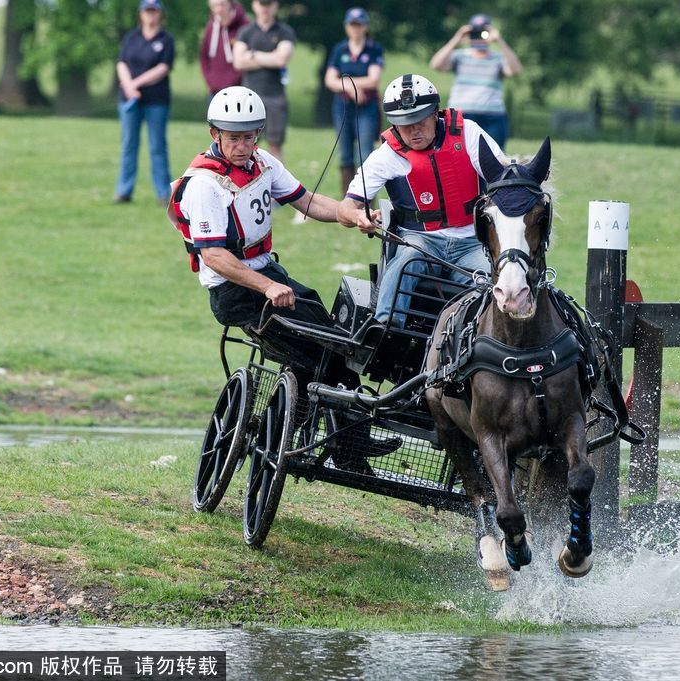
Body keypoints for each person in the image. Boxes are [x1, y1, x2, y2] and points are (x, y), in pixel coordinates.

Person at [167, 86, 399, 466]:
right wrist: (268, 286)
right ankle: (344, 446)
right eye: (234, 138)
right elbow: (214, 256)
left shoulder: (263, 163)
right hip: (235, 291)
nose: (243, 146)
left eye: (249, 136)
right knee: (325, 352)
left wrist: (351, 214)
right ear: (215, 134)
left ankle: (318, 436)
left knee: (333, 334)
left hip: (268, 273)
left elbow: (306, 201)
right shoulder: (205, 185)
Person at [336, 74, 506, 328]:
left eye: (419, 121)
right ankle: (384, 328)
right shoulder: (386, 156)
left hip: (472, 242)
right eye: (404, 124)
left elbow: (503, 175)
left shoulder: (468, 133)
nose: (413, 130)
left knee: (497, 278)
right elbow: (344, 209)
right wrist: (359, 216)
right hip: (420, 241)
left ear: (435, 113)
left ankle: (482, 339)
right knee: (407, 262)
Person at [429, 13, 522, 150]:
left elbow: (515, 70)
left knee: (495, 155)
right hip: (461, 115)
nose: (479, 36)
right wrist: (457, 38)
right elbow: (436, 64)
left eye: (483, 32)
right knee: (458, 154)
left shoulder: (498, 58)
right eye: (475, 33)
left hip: (492, 116)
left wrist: (500, 41)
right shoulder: (459, 56)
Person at [115, 0, 175, 205]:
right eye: (147, 11)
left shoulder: (166, 39)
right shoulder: (131, 38)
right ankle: (124, 191)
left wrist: (136, 83)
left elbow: (163, 68)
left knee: (157, 146)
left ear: (160, 14)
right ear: (141, 14)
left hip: (156, 100)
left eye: (153, 11)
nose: (150, 15)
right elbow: (122, 63)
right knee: (128, 144)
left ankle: (163, 193)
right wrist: (128, 86)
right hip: (130, 99)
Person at [323, 7, 384, 197]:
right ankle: (348, 199)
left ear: (365, 26)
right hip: (343, 107)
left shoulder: (373, 49)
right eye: (352, 25)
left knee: (366, 154)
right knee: (345, 155)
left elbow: (373, 79)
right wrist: (350, 87)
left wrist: (346, 83)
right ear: (346, 26)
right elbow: (329, 80)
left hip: (366, 107)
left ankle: (367, 199)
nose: (355, 29)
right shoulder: (339, 49)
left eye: (359, 25)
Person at [232, 0, 295, 161]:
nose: (265, 8)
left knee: (275, 144)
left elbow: (281, 59)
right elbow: (238, 62)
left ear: (275, 6)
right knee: (245, 143)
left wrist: (253, 54)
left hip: (275, 96)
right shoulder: (245, 31)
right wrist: (271, 57)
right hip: (249, 96)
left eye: (268, 4)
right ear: (254, 5)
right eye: (262, 4)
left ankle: (278, 178)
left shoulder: (285, 31)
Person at [199, 0, 249, 95]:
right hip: (215, 90)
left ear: (230, 4)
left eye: (222, 4)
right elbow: (204, 57)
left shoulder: (244, 26)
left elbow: (247, 58)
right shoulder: (211, 27)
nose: (219, 9)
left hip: (239, 89)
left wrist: (235, 80)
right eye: (215, 5)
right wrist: (210, 81)